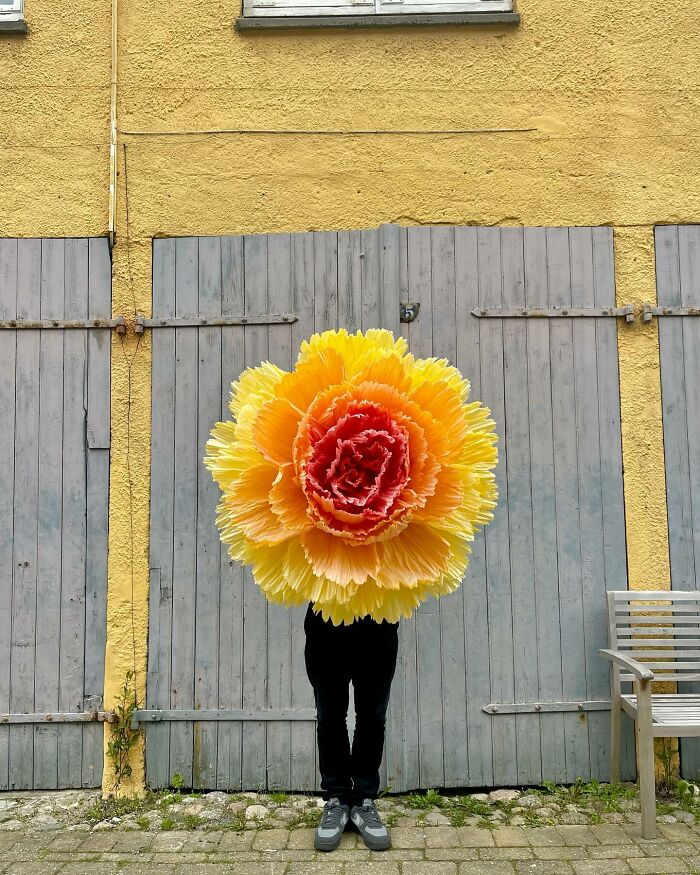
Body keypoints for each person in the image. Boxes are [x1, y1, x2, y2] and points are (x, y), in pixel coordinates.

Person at [304, 600, 399, 852]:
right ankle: (337, 799)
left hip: (378, 616)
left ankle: (363, 801)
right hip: (326, 617)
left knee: (372, 717)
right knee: (329, 716)